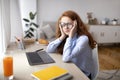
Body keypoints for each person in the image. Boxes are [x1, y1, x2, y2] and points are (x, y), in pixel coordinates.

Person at [46, 10, 97, 80]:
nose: (66, 27)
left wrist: (70, 37)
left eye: (69, 24)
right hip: (69, 68)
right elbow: (49, 50)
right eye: (63, 24)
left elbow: (66, 58)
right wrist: (62, 37)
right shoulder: (65, 37)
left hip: (82, 74)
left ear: (76, 24)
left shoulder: (83, 39)